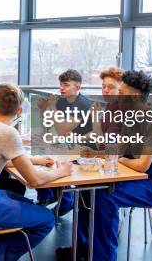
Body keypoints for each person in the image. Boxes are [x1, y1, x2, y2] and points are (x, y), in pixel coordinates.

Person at [56, 70, 152, 261]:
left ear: (134, 95)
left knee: (104, 196)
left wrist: (118, 159)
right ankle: (83, 248)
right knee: (85, 188)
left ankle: (102, 257)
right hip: (144, 175)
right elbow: (117, 150)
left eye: (122, 91)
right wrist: (95, 154)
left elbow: (142, 165)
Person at [0, 84, 73, 261]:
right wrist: (63, 171)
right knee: (47, 218)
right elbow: (34, 180)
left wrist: (33, 160)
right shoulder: (7, 133)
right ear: (19, 110)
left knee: (30, 204)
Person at [36, 69, 93, 213]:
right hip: (66, 144)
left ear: (77, 87)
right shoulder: (61, 101)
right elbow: (49, 124)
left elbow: (62, 129)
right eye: (61, 84)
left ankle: (65, 199)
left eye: (66, 85)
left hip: (84, 149)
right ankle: (48, 195)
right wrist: (44, 110)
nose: (61, 88)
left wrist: (52, 107)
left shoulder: (83, 104)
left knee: (49, 157)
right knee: (39, 155)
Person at [91, 67, 124, 148]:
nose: (105, 90)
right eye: (103, 86)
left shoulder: (120, 112)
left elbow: (103, 147)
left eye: (111, 87)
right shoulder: (110, 104)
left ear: (122, 90)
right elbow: (100, 131)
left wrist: (94, 116)